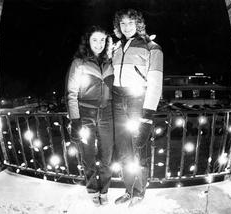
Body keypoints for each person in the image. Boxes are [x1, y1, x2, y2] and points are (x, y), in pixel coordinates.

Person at [112, 9, 163, 207]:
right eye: (122, 24)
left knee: (138, 148)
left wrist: (147, 116)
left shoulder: (153, 47)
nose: (126, 27)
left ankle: (140, 191)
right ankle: (129, 189)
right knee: (124, 150)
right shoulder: (116, 48)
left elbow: (156, 84)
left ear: (138, 24)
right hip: (117, 101)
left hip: (137, 102)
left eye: (130, 23)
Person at [65, 25, 114, 206]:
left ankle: (105, 189)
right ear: (88, 41)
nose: (99, 43)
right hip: (86, 113)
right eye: (95, 39)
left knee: (107, 154)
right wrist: (75, 120)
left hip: (107, 114)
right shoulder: (79, 63)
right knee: (88, 155)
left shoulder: (111, 62)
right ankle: (92, 188)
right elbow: (71, 93)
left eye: (103, 40)